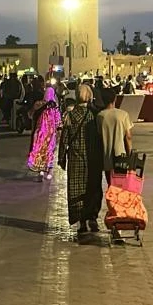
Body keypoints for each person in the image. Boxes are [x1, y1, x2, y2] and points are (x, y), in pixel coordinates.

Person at [58, 83, 103, 235]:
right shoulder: (94, 115)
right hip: (92, 159)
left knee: (77, 189)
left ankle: (81, 222)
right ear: (89, 96)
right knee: (92, 187)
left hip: (75, 159)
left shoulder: (70, 115)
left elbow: (64, 139)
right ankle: (92, 217)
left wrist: (61, 158)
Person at [97, 86, 133, 182]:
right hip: (121, 156)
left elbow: (99, 137)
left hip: (107, 158)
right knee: (121, 187)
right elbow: (128, 137)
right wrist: (130, 155)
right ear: (115, 99)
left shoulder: (100, 116)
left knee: (111, 186)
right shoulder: (123, 114)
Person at [27, 86, 62, 180]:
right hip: (51, 134)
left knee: (40, 151)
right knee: (50, 151)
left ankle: (41, 171)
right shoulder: (54, 107)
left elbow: (30, 115)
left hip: (40, 133)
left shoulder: (38, 104)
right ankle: (49, 170)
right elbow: (58, 121)